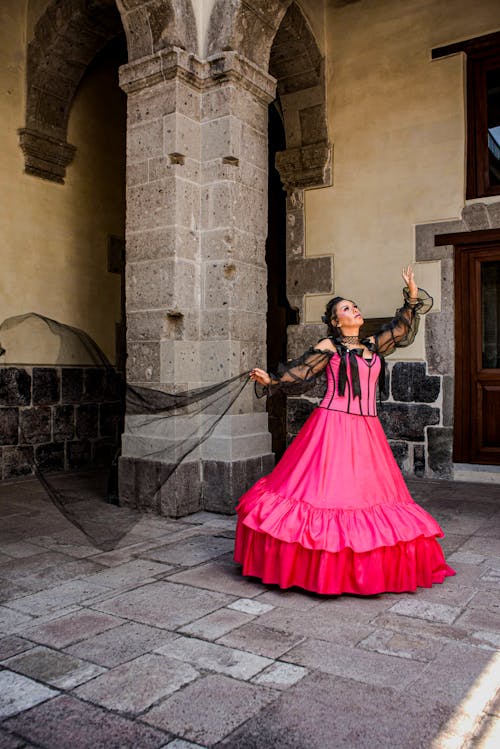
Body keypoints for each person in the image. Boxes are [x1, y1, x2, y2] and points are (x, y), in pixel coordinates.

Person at [234, 267, 456, 595]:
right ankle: (318, 568)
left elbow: (401, 329)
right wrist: (273, 380)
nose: (354, 310)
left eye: (355, 306)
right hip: (332, 427)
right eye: (346, 309)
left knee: (370, 496)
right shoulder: (331, 346)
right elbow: (302, 369)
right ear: (337, 322)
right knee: (326, 493)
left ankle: (365, 568)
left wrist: (411, 296)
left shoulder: (371, 345)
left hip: (367, 432)